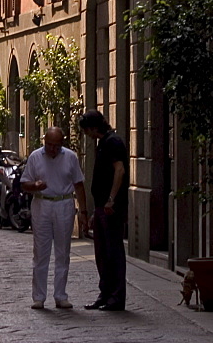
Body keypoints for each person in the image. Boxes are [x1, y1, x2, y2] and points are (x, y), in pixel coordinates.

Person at [20, 126, 88, 310]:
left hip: (64, 204)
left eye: (56, 146)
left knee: (63, 252)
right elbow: (24, 184)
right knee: (41, 252)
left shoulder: (70, 157)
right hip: (42, 204)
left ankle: (60, 295)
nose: (52, 149)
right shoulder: (35, 156)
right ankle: (39, 297)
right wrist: (35, 185)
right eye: (49, 144)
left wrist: (83, 212)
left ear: (62, 144)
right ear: (44, 141)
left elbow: (79, 184)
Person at [79, 109, 128, 312]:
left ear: (92, 127)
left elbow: (120, 170)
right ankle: (105, 294)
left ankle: (115, 297)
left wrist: (111, 200)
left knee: (113, 252)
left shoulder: (113, 142)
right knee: (102, 252)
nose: (86, 135)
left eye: (86, 130)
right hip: (102, 207)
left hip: (110, 208)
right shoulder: (103, 143)